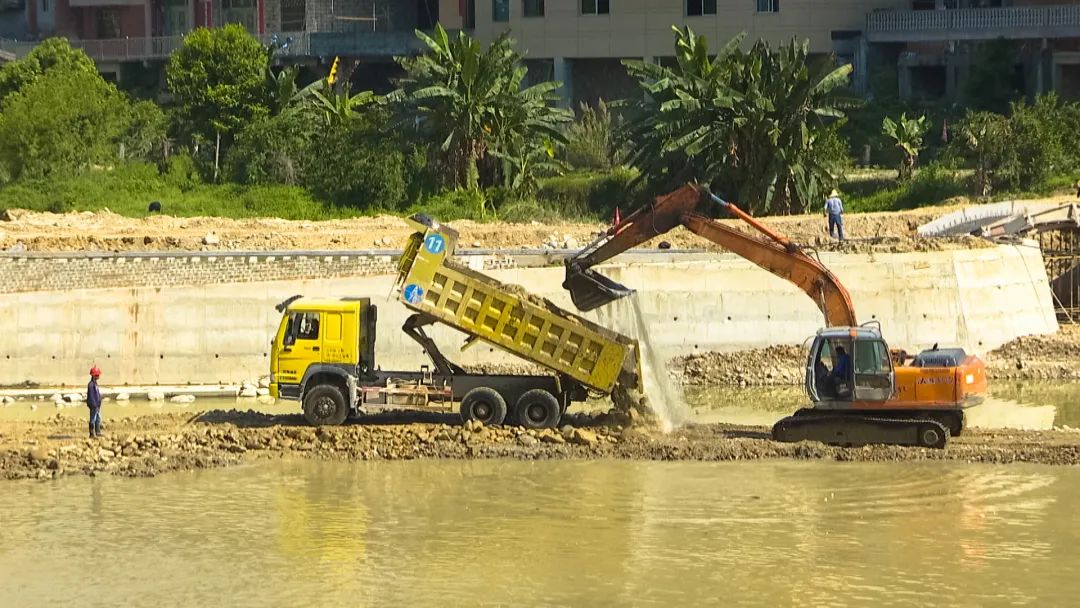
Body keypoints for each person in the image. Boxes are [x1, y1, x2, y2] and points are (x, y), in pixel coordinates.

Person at [87, 366, 103, 438]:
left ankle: (98, 432)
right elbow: (91, 396)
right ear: (94, 375)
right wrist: (94, 405)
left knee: (98, 419)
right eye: (97, 375)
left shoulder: (95, 384)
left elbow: (97, 394)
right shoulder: (91, 385)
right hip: (93, 405)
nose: (98, 376)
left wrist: (99, 403)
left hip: (97, 405)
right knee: (92, 419)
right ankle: (91, 434)